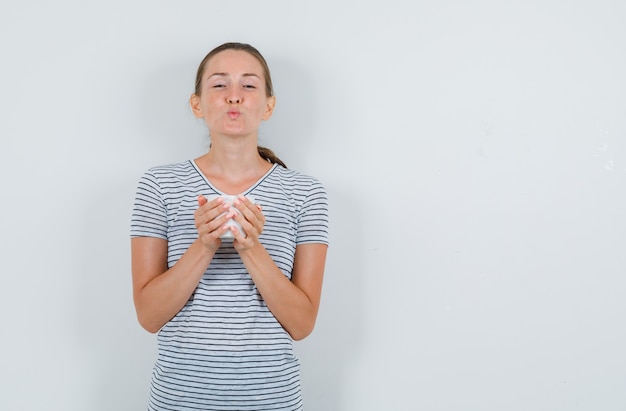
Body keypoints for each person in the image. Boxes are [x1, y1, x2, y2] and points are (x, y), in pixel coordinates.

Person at [130, 42, 329, 410]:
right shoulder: (159, 185)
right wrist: (202, 246)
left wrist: (252, 249)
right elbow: (149, 315)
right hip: (179, 400)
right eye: (220, 85)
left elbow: (302, 325)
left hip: (272, 400)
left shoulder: (305, 193)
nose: (234, 97)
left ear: (268, 105)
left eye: (249, 85)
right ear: (197, 104)